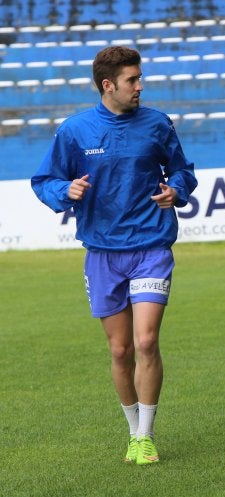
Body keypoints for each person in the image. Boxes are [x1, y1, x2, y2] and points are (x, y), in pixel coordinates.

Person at [31, 46, 198, 465]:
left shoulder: (158, 123)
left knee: (145, 340)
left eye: (140, 78)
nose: (140, 86)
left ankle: (146, 435)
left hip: (151, 247)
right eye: (132, 80)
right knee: (120, 350)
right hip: (103, 252)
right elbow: (45, 179)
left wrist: (175, 189)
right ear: (109, 85)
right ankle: (131, 431)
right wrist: (63, 191)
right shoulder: (74, 131)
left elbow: (183, 170)